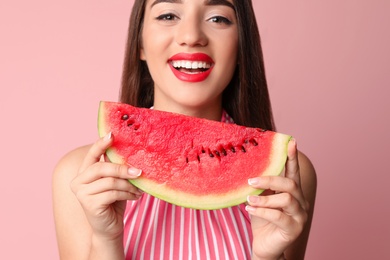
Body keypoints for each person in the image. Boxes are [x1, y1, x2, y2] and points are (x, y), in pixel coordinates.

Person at [52, 0, 317, 259]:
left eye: (218, 18)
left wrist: (268, 257)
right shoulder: (80, 177)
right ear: (140, 43)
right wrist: (106, 242)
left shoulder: (286, 173)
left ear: (241, 46)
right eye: (168, 15)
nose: (191, 36)